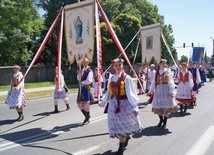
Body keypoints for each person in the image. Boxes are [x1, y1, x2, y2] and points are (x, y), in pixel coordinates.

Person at [99, 58, 142, 155]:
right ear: (113, 67)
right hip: (114, 105)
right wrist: (103, 102)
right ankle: (126, 138)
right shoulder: (112, 77)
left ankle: (121, 148)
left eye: (119, 65)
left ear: (122, 66)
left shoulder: (127, 78)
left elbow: (131, 93)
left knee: (124, 127)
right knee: (118, 127)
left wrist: (135, 107)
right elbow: (109, 92)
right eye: (116, 65)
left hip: (125, 104)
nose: (118, 67)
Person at [148, 59, 177, 129]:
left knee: (166, 107)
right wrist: (150, 91)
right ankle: (161, 119)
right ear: (159, 64)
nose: (164, 64)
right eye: (162, 63)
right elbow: (153, 83)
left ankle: (165, 122)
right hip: (158, 91)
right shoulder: (156, 72)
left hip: (166, 90)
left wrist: (172, 91)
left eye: (165, 63)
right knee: (159, 107)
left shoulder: (167, 71)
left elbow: (170, 81)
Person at [77, 57, 93, 124]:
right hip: (81, 88)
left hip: (86, 88)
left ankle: (86, 117)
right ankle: (87, 116)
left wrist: (82, 82)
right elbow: (78, 78)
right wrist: (79, 74)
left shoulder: (90, 71)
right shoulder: (82, 70)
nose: (84, 63)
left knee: (86, 104)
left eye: (85, 62)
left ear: (88, 62)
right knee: (79, 103)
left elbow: (89, 80)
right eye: (83, 62)